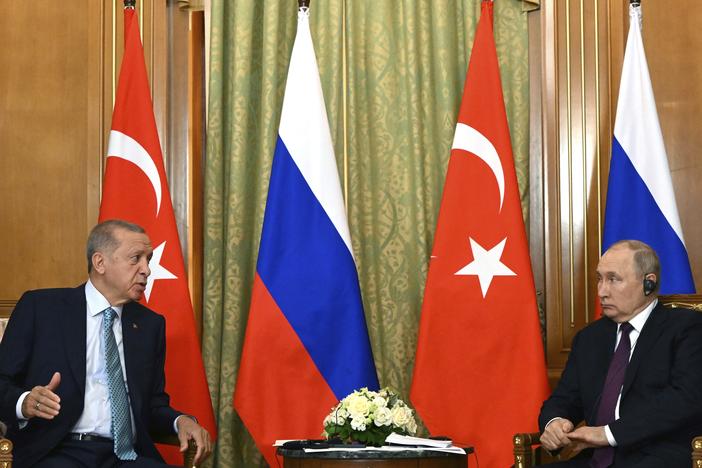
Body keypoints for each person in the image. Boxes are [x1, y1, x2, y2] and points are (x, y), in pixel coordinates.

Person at [0, 220, 212, 467]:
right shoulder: (41, 308)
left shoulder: (150, 325)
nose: (147, 270)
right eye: (136, 259)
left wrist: (182, 421)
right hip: (57, 451)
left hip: (125, 457)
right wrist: (23, 401)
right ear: (100, 263)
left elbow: (152, 405)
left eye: (148, 259)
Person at [537, 239, 702, 467]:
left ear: (648, 284)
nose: (602, 292)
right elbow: (563, 398)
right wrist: (554, 424)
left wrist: (608, 434)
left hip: (657, 457)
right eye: (599, 279)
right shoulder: (589, 338)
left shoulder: (686, 329)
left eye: (613, 279)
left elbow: (685, 400)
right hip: (594, 460)